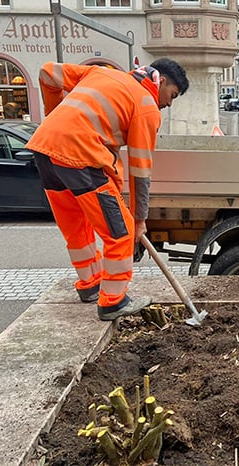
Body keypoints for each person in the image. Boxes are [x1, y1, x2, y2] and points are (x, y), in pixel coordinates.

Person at [26, 58, 189, 321]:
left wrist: (55, 116)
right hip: (80, 155)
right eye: (172, 95)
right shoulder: (146, 106)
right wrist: (138, 220)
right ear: (161, 81)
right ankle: (113, 301)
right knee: (120, 233)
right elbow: (140, 171)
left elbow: (47, 72)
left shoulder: (102, 73)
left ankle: (90, 285)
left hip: (45, 150)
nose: (169, 104)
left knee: (76, 225)